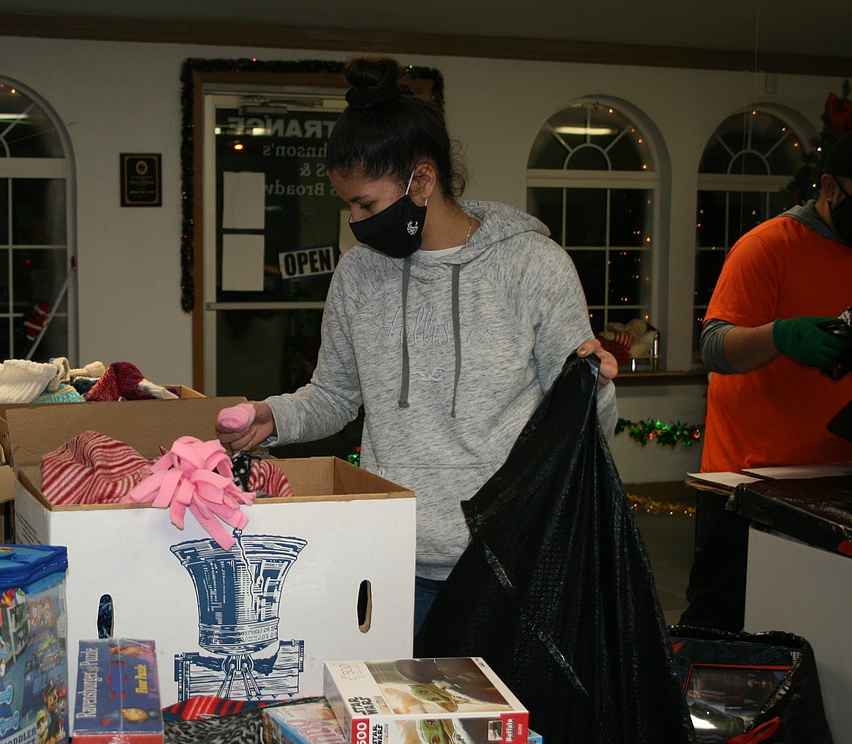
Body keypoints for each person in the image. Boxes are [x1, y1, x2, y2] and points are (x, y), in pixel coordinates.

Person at [216, 56, 619, 635]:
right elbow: (335, 394)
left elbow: (579, 428)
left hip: (508, 565)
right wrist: (270, 417)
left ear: (422, 181)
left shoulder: (532, 266)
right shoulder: (358, 276)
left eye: (368, 205)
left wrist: (598, 386)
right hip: (391, 559)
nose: (356, 222)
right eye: (348, 206)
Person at [681, 130, 852, 632]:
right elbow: (715, 347)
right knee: (721, 626)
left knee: (824, 628)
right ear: (830, 188)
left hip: (836, 482)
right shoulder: (768, 247)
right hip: (749, 485)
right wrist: (778, 336)